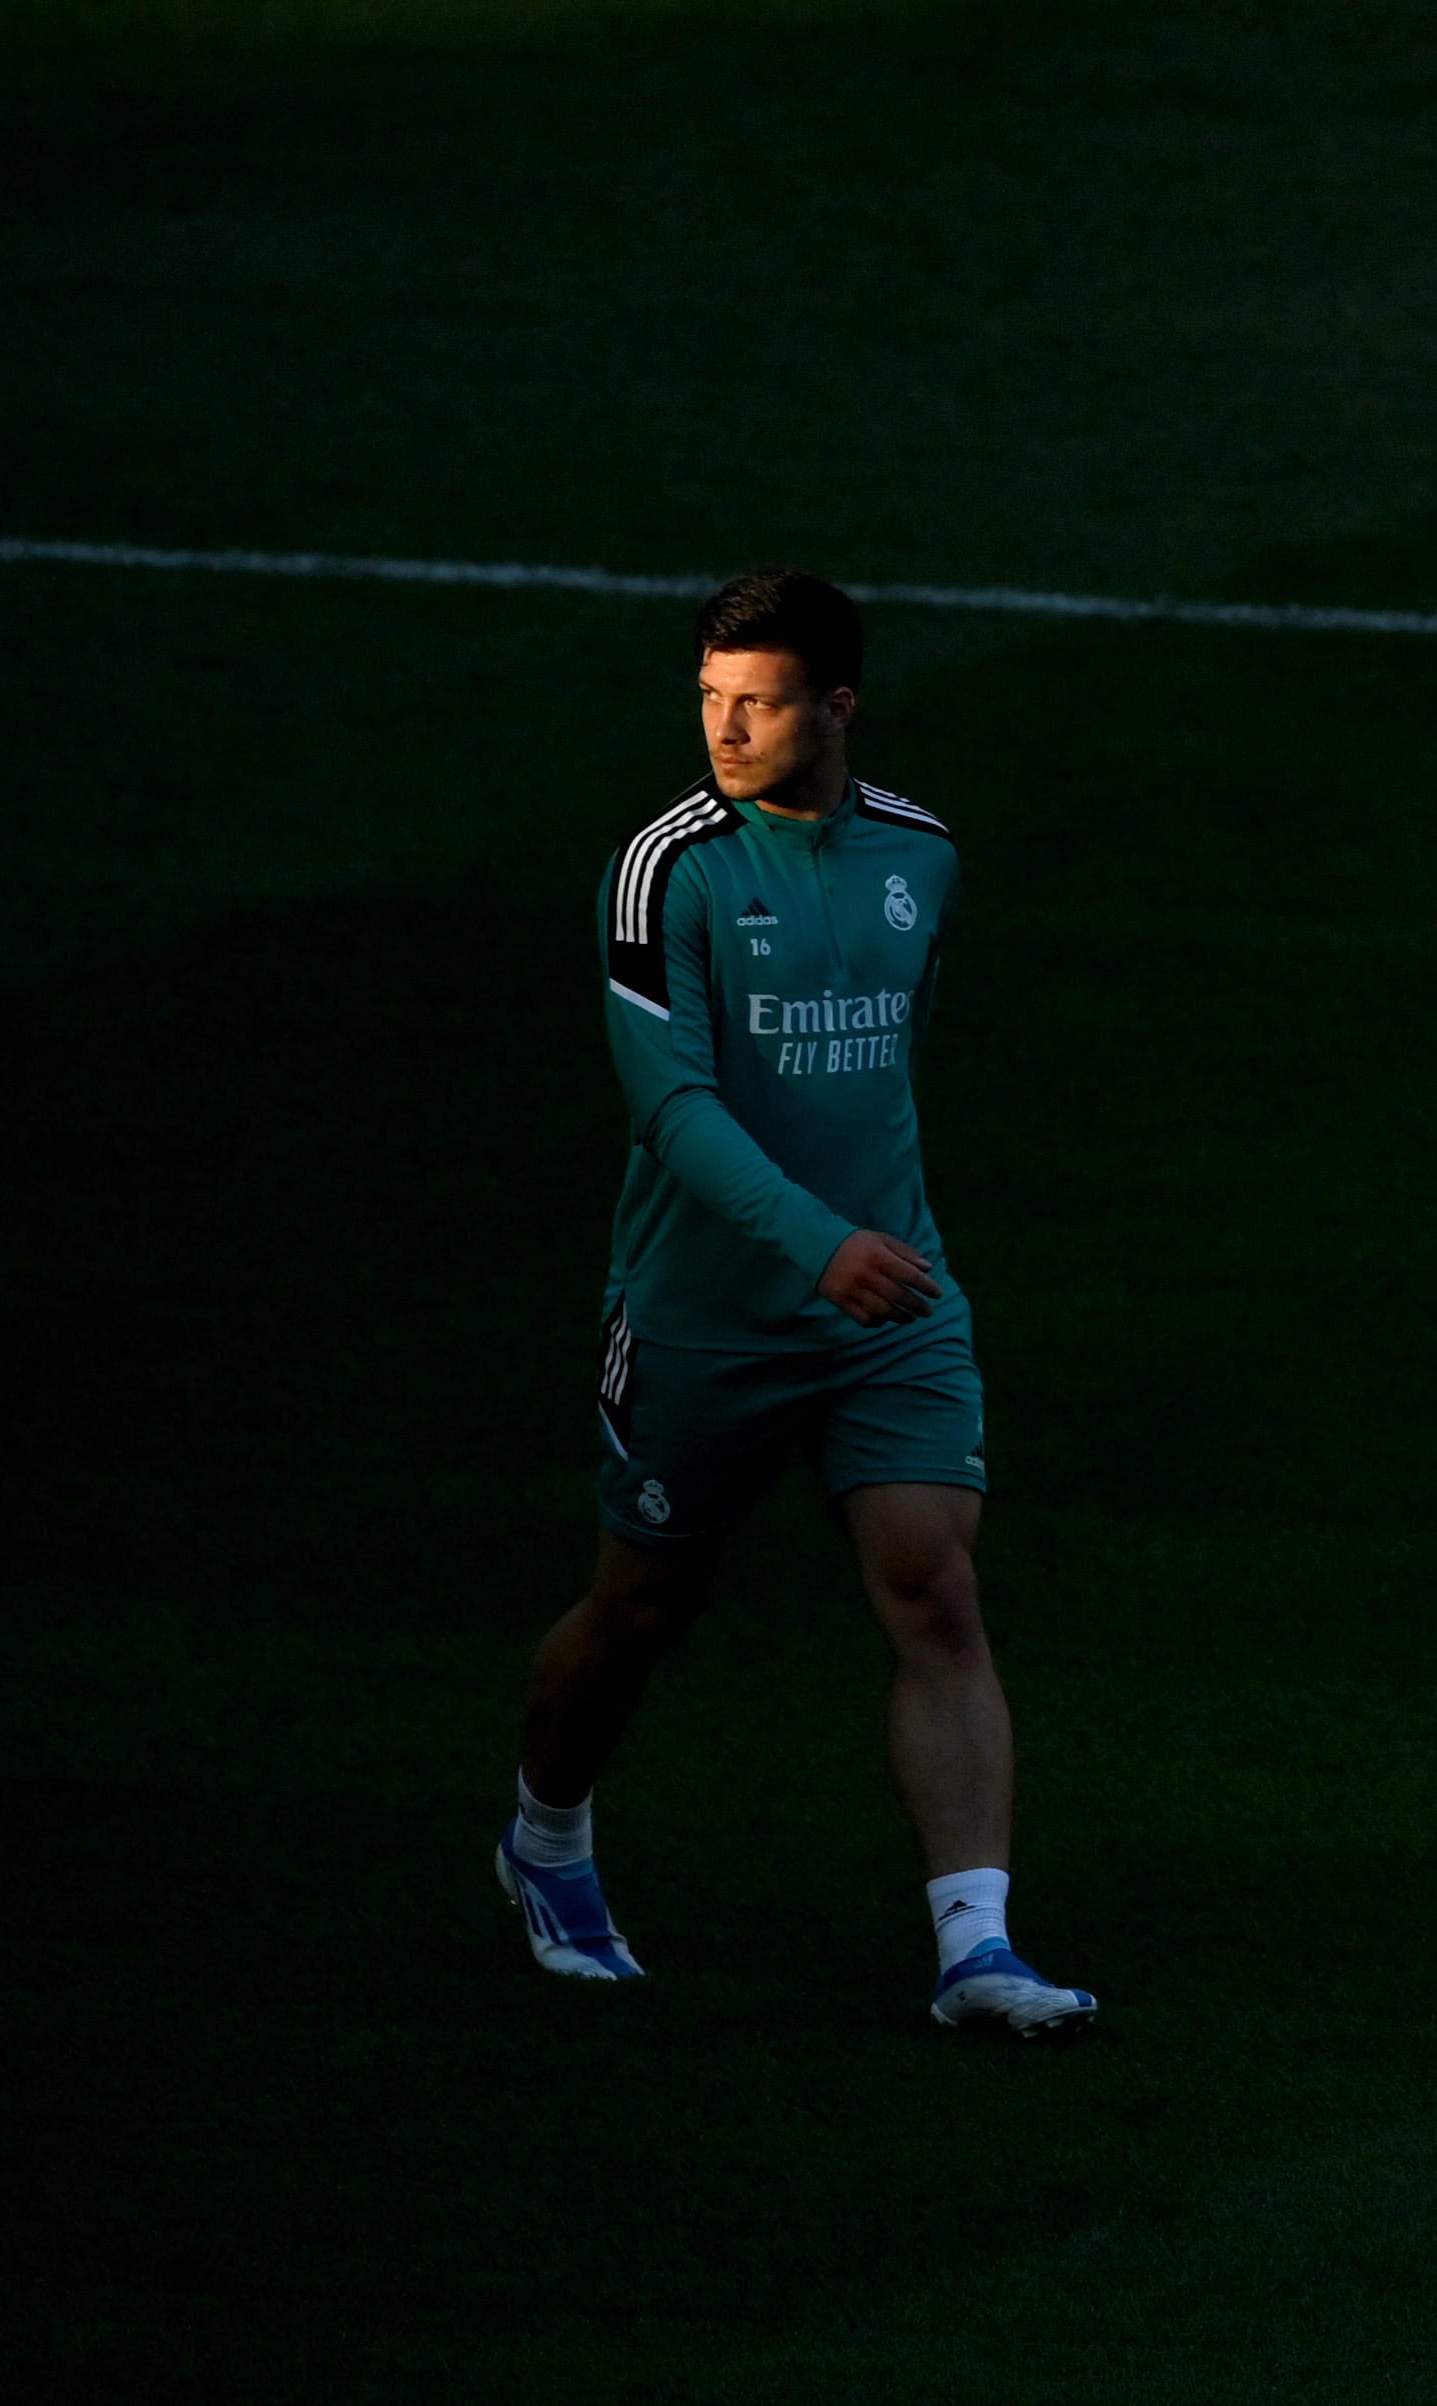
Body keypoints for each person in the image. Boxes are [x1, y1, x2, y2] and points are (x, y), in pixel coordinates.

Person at [492, 568, 1095, 2038]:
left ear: (836, 705)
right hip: (704, 1316)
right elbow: (673, 1109)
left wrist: (863, 1247)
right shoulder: (665, 871)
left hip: (890, 1299)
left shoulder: (922, 856)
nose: (726, 727)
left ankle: (976, 1951)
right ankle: (546, 1836)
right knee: (642, 1605)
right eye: (708, 699)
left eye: (756, 701)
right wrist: (817, 1240)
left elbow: (885, 1066)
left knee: (937, 1590)